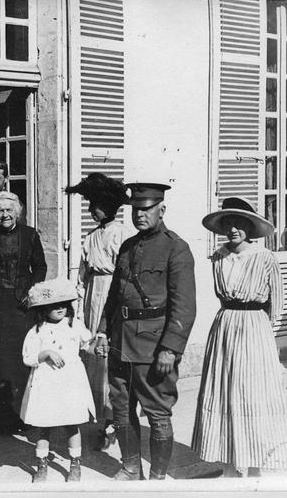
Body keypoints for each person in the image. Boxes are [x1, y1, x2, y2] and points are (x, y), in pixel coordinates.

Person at [94, 182, 196, 481]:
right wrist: (102, 332)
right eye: (136, 209)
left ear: (161, 210)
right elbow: (114, 296)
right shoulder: (127, 246)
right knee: (122, 409)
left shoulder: (176, 248)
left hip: (154, 346)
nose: (140, 215)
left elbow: (184, 306)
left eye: (146, 209)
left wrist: (170, 348)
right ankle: (130, 467)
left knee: (157, 412)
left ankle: (158, 476)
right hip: (120, 341)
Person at [192, 197, 287, 476]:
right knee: (223, 389)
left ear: (250, 227)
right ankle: (228, 465)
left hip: (254, 327)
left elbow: (277, 302)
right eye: (228, 224)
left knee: (253, 392)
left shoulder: (265, 257)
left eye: (239, 224)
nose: (233, 229)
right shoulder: (218, 257)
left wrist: (260, 333)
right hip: (225, 325)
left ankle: (256, 464)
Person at [65, 173, 133, 450]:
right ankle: (102, 419)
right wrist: (76, 302)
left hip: (113, 294)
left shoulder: (122, 233)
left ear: (110, 207)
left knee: (111, 357)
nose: (93, 211)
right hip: (94, 295)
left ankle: (116, 419)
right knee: (94, 356)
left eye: (97, 205)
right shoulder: (91, 236)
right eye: (91, 205)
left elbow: (124, 271)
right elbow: (82, 274)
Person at [0, 191, 47, 427]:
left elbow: (40, 266)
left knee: (20, 358)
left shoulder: (29, 235)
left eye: (9, 210)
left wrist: (32, 292)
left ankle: (23, 413)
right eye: (0, 211)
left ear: (17, 212)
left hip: (22, 305)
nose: (5, 215)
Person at [20, 278, 95, 483]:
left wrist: (98, 347)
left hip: (70, 383)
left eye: (63, 303)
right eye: (54, 305)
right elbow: (28, 357)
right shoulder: (37, 331)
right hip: (47, 384)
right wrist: (45, 354)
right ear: (43, 309)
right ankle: (42, 465)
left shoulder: (74, 325)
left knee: (71, 424)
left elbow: (87, 344)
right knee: (45, 424)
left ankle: (75, 463)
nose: (60, 308)